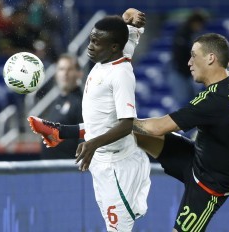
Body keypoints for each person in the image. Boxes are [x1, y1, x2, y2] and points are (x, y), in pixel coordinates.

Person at [28, 8, 151, 232]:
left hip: (117, 166)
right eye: (90, 39)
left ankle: (60, 132)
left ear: (113, 47)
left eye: (96, 42)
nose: (90, 46)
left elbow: (126, 125)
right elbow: (126, 38)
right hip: (101, 162)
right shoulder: (109, 58)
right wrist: (127, 21)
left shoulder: (121, 74)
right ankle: (60, 132)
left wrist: (92, 144)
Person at [131, 33, 229, 231]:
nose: (189, 62)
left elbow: (157, 127)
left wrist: (123, 119)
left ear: (210, 58)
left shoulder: (212, 101)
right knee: (130, 134)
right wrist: (224, 57)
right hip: (196, 159)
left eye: (194, 55)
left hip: (209, 186)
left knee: (128, 128)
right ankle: (73, 132)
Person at [40, 54, 83, 159]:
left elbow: (85, 137)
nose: (65, 73)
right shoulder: (57, 101)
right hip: (50, 169)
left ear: (79, 74)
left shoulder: (82, 102)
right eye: (61, 69)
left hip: (70, 170)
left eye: (70, 69)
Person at [168, 11, 207, 105]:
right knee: (183, 103)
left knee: (194, 101)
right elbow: (180, 56)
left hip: (189, 73)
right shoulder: (182, 33)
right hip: (180, 73)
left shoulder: (194, 35)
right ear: (195, 22)